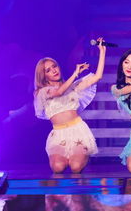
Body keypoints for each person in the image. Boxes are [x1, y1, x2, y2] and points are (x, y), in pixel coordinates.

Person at [34, 39, 106, 173]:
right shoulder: (42, 92)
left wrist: (102, 51)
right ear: (44, 76)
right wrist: (75, 73)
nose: (54, 70)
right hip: (58, 135)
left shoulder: (73, 87)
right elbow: (59, 92)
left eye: (54, 66)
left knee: (76, 167)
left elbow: (98, 76)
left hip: (77, 130)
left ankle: (80, 156)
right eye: (48, 70)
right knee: (58, 167)